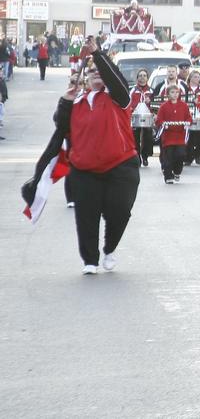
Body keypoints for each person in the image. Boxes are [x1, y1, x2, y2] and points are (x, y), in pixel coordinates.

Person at [56, 39, 141, 274]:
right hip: (85, 169)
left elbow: (116, 82)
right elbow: (60, 126)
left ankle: (110, 248)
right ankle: (90, 260)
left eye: (100, 72)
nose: (97, 75)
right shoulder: (77, 102)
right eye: (92, 72)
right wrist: (66, 101)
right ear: (85, 78)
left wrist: (99, 56)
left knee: (120, 210)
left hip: (120, 165)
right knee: (86, 216)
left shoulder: (118, 99)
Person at [155, 84, 191, 184]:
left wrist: (187, 123)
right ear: (168, 94)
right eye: (172, 92)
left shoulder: (184, 105)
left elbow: (188, 117)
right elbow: (159, 120)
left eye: (176, 92)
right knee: (168, 157)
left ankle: (177, 171)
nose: (175, 94)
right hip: (168, 137)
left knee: (180, 154)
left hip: (180, 136)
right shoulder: (163, 106)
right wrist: (163, 124)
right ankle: (168, 176)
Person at [128, 69, 155, 167]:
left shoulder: (152, 91)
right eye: (140, 76)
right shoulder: (132, 90)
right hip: (135, 117)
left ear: (147, 78)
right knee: (135, 137)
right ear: (137, 78)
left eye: (144, 76)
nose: (142, 78)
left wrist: (150, 102)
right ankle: (137, 157)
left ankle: (145, 156)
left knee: (147, 137)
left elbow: (156, 104)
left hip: (147, 117)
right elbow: (128, 102)